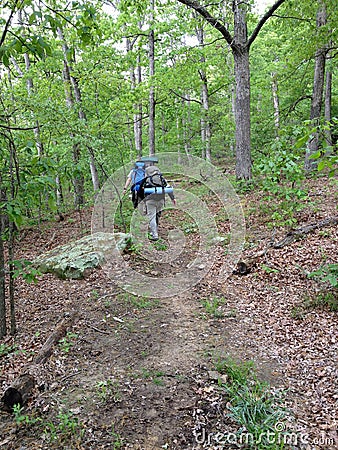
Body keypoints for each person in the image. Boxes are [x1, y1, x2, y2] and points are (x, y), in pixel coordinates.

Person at [142, 165, 176, 241]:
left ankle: (154, 234)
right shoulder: (162, 179)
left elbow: (141, 192)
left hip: (150, 201)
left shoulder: (146, 180)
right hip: (160, 200)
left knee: (151, 217)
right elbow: (169, 188)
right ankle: (154, 230)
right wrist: (173, 199)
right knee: (157, 216)